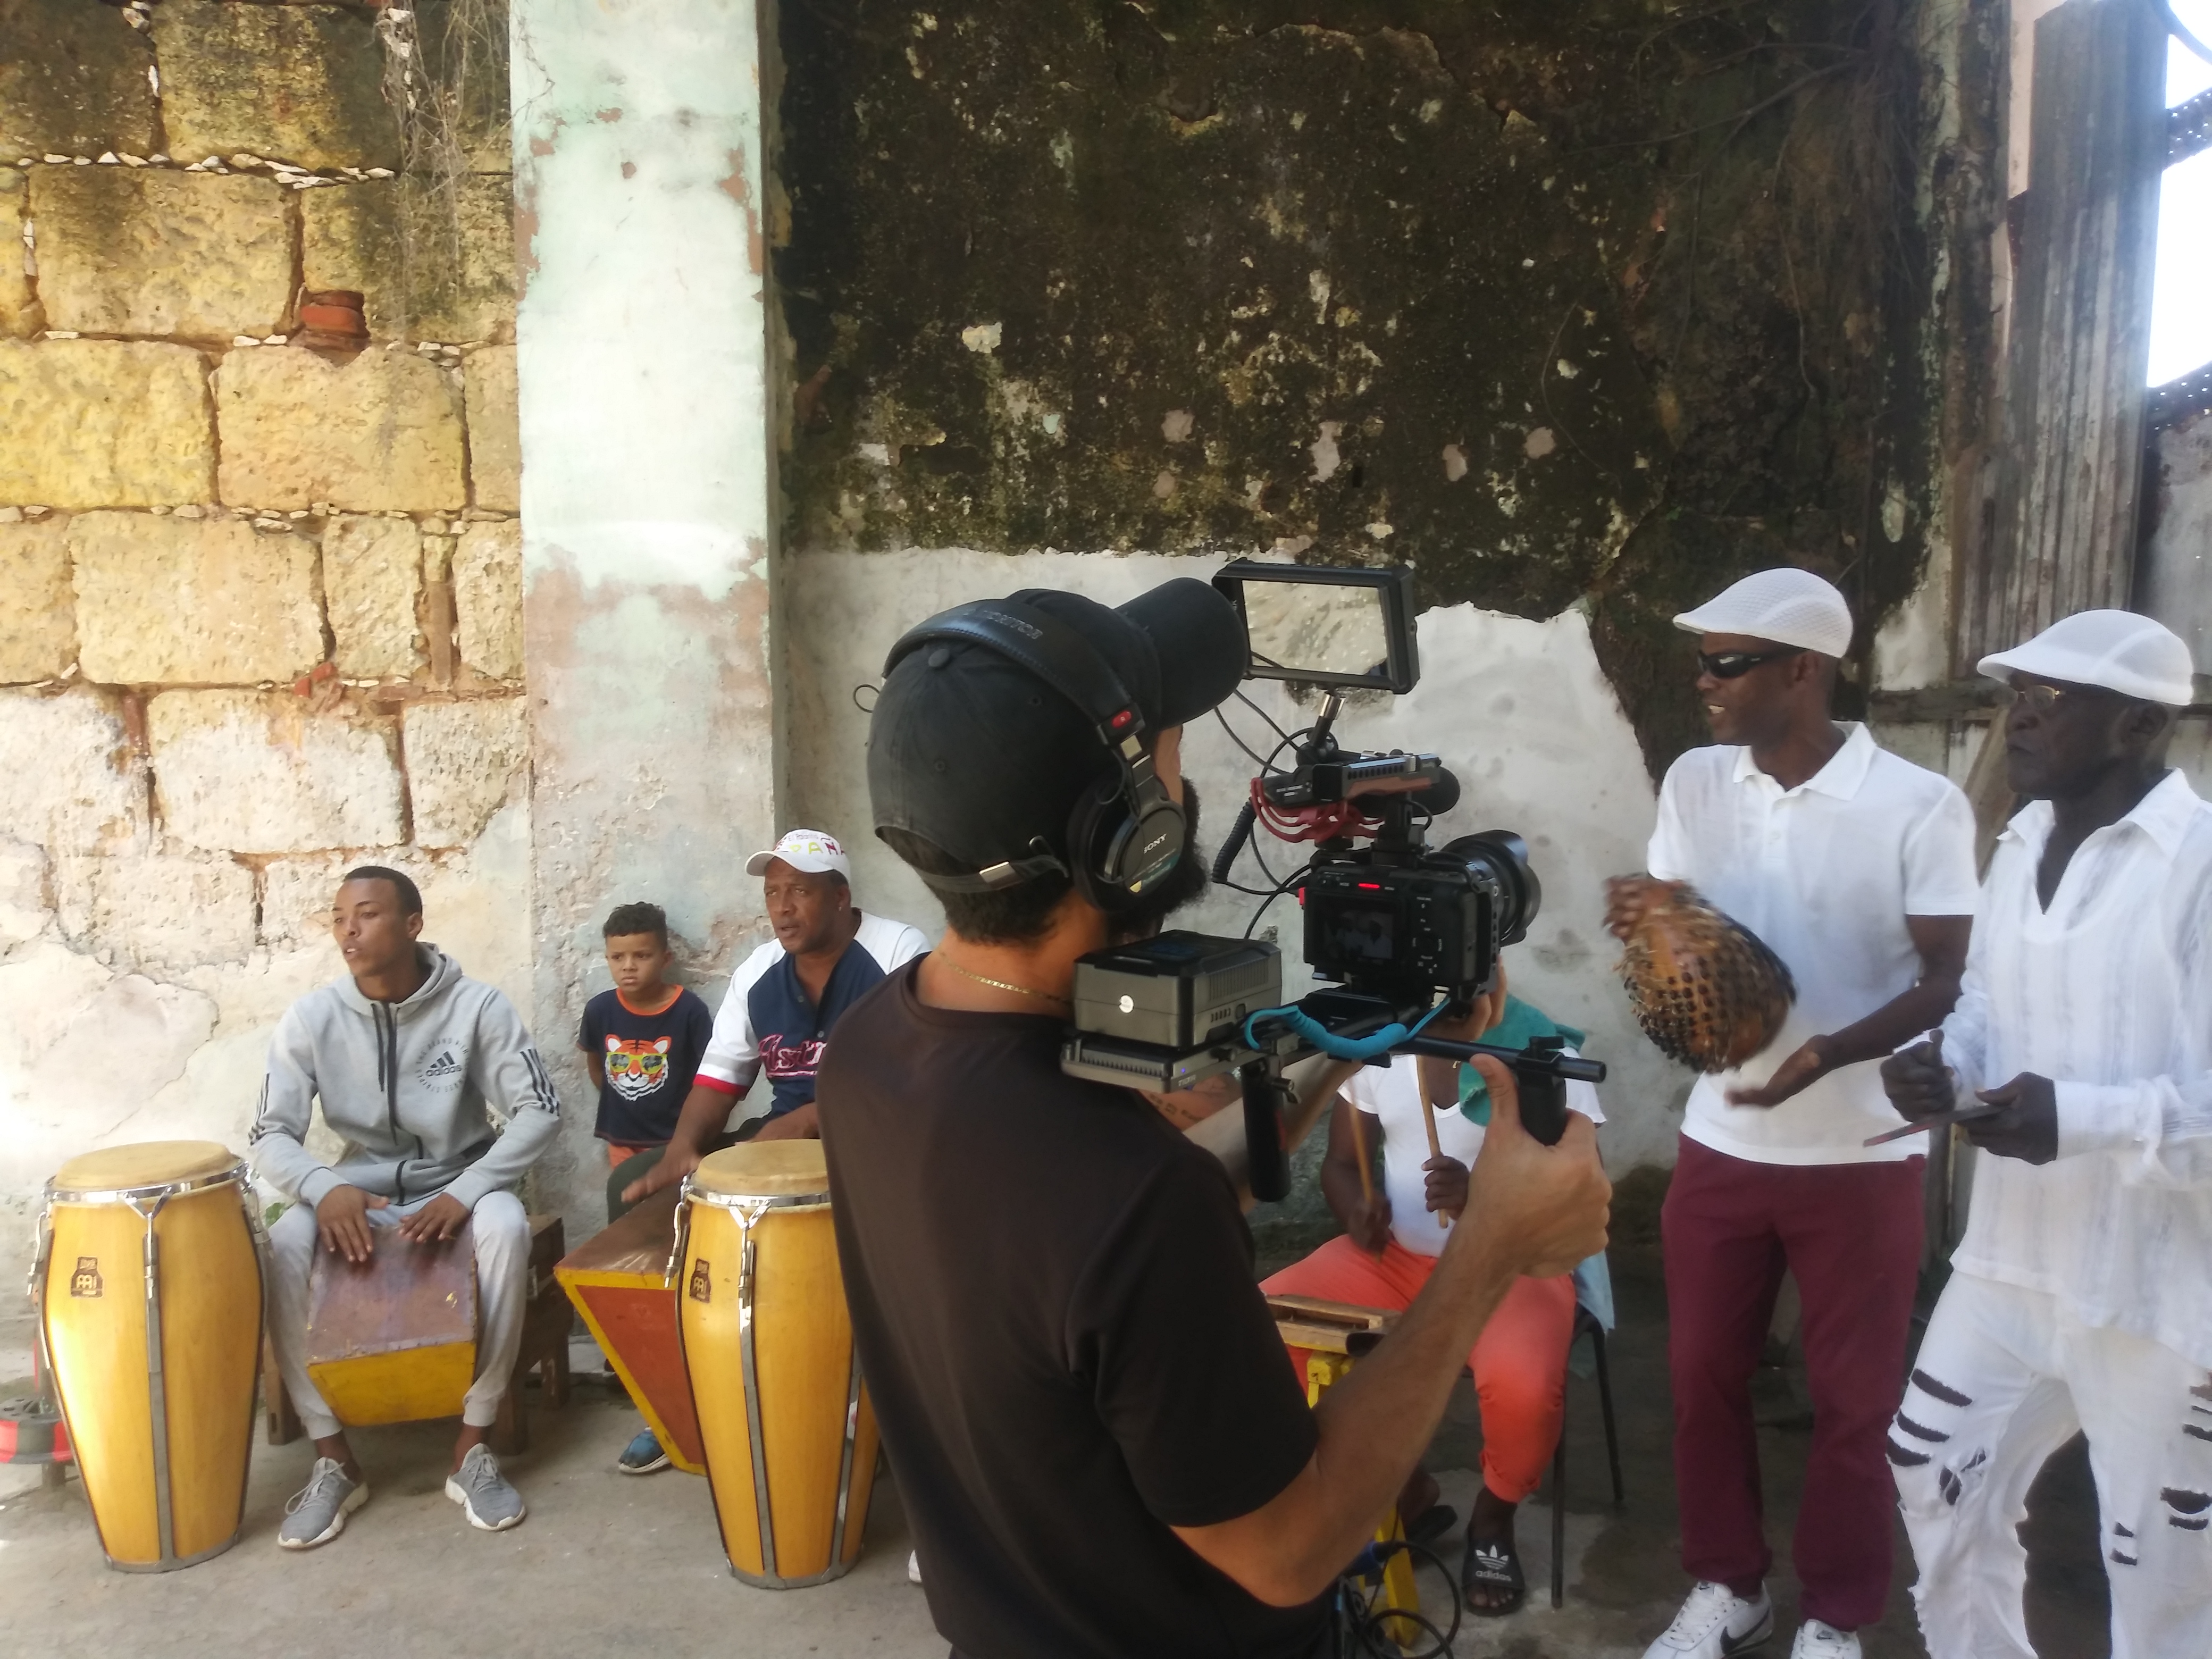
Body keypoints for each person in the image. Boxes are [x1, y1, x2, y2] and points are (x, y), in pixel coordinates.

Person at [817, 579, 1612, 1659]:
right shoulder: (1135, 1204)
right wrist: (1489, 1252)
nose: (1183, 774)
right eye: (1170, 745)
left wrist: (1335, 1050)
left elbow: (1075, 1265)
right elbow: (1289, 1549)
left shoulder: (869, 1051)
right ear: (1129, 835)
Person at [1612, 568, 1979, 1659]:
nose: (1704, 682)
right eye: (1703, 663)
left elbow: (1949, 976)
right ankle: (1729, 1588)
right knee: (1699, 1379)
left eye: (1727, 663)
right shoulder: (1696, 782)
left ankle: (1835, 1614)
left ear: (1804, 670)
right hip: (1721, 1141)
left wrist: (1827, 1053)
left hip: (1862, 1150)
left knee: (1855, 1404)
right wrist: (1656, 940)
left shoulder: (1919, 804)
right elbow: (1683, 938)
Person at [1879, 610, 2212, 1659]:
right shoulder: (2020, 842)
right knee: (1931, 1473)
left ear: (2139, 725)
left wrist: (2074, 1118)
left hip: (2158, 1295)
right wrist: (1943, 1066)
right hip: (2010, 1264)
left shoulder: (2200, 866)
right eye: (2014, 695)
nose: (2018, 718)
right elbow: (1988, 1002)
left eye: (2050, 699)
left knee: (2160, 1580)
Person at [1260, 992, 1606, 1616]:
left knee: (1523, 1385)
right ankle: (1405, 1489)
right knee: (1260, 1326)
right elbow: (1342, 1165)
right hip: (1394, 1260)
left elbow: (1576, 1193)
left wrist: (1484, 1199)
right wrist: (1356, 1211)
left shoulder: (1542, 1058)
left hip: (1510, 1265)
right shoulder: (1379, 1050)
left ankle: (1492, 1518)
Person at [249, 866, 562, 1549]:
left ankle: (473, 1446)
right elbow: (269, 1133)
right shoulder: (311, 1019)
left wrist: (467, 1190)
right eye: (339, 918)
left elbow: (540, 1111)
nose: (349, 931)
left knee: (506, 1227)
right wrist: (322, 1188)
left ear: (413, 924)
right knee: (285, 1243)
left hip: (456, 1188)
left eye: (366, 914)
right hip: (357, 1195)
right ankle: (334, 1458)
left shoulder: (477, 1007)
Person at [620, 829, 925, 1203]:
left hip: (876, 1138)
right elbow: (719, 1080)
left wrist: (808, 1119)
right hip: (780, 1140)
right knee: (633, 1179)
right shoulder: (757, 971)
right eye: (771, 892)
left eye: (799, 891)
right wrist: (682, 1148)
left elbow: (916, 1077)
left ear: (840, 898)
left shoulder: (897, 951)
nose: (782, 907)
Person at [574, 899, 714, 1476]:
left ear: (665, 956)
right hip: (622, 1143)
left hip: (675, 1149)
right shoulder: (601, 1011)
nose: (628, 967)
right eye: (617, 957)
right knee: (627, 1250)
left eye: (641, 955)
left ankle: (681, 1362)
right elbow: (596, 1067)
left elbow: (712, 1078)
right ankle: (633, 1354)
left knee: (672, 1251)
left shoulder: (690, 1012)